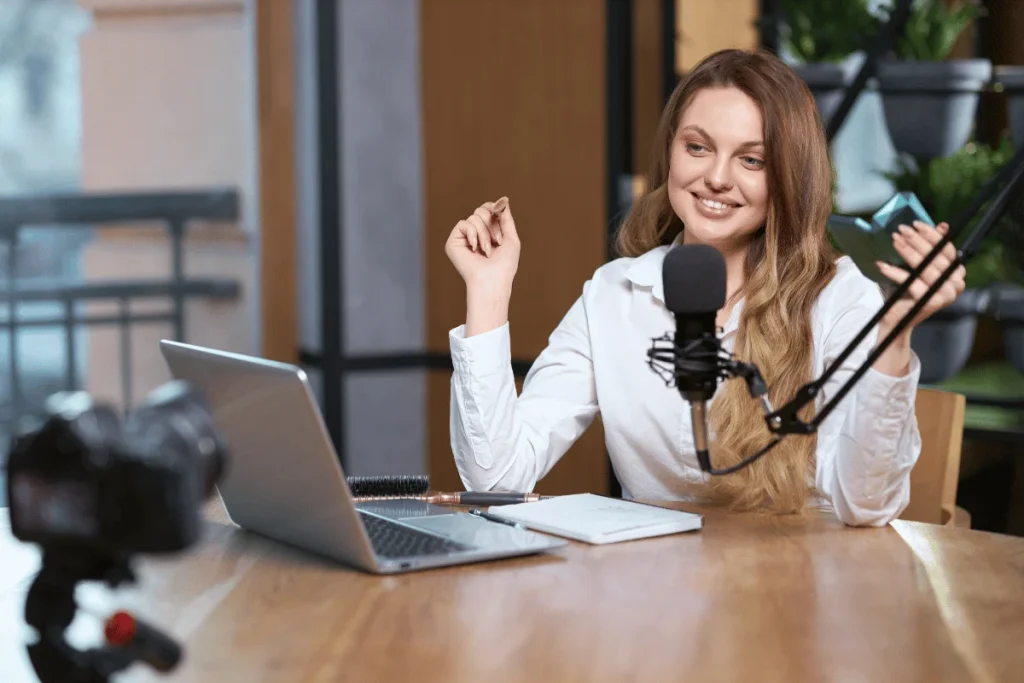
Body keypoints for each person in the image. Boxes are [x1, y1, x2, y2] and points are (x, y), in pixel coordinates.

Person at [442, 49, 966, 527]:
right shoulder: (614, 294)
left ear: (787, 175)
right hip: (657, 601)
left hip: (799, 596)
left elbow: (866, 504)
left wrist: (894, 336)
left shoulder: (837, 297)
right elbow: (496, 481)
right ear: (671, 152)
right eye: (698, 147)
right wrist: (488, 290)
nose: (717, 177)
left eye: (751, 159)